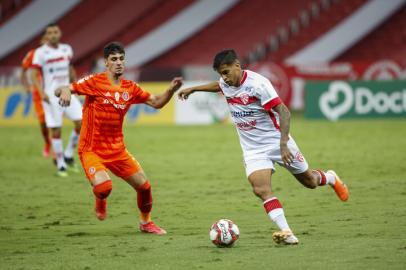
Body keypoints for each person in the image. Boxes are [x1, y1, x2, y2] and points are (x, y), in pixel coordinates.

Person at [178, 49, 349, 245]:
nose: (223, 78)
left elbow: (284, 112)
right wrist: (194, 89)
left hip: (277, 141)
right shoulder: (226, 82)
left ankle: (330, 178)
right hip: (253, 149)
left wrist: (283, 144)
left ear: (237, 65)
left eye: (226, 72)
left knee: (310, 181)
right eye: (220, 74)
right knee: (260, 189)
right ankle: (287, 232)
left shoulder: (258, 85)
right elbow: (219, 86)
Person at [55, 42, 183, 235]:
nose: (119, 63)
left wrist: (171, 90)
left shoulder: (130, 88)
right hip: (91, 149)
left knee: (145, 186)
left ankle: (146, 223)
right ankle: (101, 198)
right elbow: (62, 89)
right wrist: (65, 91)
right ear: (106, 63)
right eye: (114, 59)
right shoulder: (94, 82)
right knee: (105, 187)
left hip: (117, 150)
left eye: (121, 59)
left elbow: (156, 102)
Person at [31, 23, 82, 177]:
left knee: (82, 122)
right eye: (50, 33)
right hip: (51, 96)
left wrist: (76, 87)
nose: (53, 35)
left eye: (55, 32)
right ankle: (60, 165)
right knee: (56, 129)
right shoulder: (40, 53)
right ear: (47, 35)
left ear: (60, 33)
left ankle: (68, 154)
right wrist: (41, 93)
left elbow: (70, 69)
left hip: (68, 92)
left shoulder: (67, 49)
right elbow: (33, 75)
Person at [20, 36, 52, 158]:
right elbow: (23, 70)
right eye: (45, 40)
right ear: (41, 42)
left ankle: (57, 152)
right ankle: (47, 143)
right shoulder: (33, 54)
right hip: (38, 94)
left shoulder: (57, 54)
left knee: (54, 123)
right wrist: (26, 86)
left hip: (53, 93)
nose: (47, 43)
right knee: (43, 123)